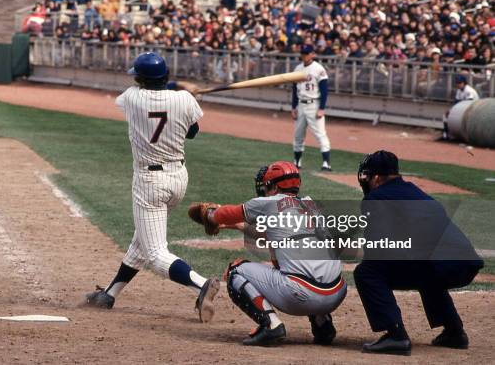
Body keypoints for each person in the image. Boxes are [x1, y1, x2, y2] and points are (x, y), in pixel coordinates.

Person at [81, 53, 220, 322]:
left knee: (156, 254)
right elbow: (192, 132)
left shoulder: (132, 98)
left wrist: (178, 89)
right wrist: (184, 94)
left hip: (150, 182)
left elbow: (152, 91)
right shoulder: (183, 100)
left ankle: (201, 285)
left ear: (142, 79)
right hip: (178, 178)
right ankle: (109, 294)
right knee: (142, 242)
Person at [189, 161, 347, 346]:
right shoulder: (311, 204)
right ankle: (323, 325)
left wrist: (209, 213)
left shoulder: (269, 202)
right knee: (308, 268)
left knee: (236, 271)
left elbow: (222, 214)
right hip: (336, 293)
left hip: (302, 297)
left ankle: (271, 326)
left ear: (273, 186)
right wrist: (234, 225)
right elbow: (271, 233)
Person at [353, 151, 483, 356]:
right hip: (465, 263)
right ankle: (454, 332)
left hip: (441, 263)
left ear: (376, 178)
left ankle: (396, 336)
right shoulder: (414, 191)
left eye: (368, 176)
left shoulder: (377, 197)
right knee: (426, 270)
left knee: (367, 272)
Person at [291, 44, 332, 171]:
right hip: (301, 105)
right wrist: (293, 107)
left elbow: (324, 90)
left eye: (307, 53)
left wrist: (322, 108)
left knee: (320, 134)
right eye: (303, 53)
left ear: (312, 54)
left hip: (314, 104)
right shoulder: (297, 69)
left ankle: (326, 163)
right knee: (298, 135)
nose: (304, 55)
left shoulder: (318, 69)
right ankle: (297, 162)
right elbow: (294, 90)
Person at [442, 75, 480, 140]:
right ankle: (446, 133)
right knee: (445, 115)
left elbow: (468, 103)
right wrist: (450, 110)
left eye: (460, 83)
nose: (458, 84)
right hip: (464, 109)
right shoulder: (459, 90)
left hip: (474, 110)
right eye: (457, 83)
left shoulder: (469, 90)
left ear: (464, 83)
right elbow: (456, 102)